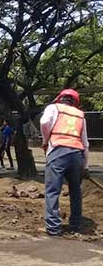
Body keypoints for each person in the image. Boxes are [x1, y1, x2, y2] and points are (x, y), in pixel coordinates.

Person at [40, 88, 89, 236]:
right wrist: (85, 166)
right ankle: (76, 225)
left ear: (60, 98)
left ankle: (54, 228)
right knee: (75, 191)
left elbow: (44, 122)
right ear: (75, 102)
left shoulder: (53, 108)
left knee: (52, 190)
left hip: (58, 152)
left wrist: (46, 140)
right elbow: (85, 143)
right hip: (77, 155)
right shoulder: (80, 115)